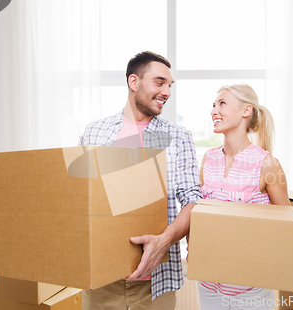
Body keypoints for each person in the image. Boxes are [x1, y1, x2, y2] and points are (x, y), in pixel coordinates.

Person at [79, 51, 201, 310]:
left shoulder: (178, 137)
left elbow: (193, 202)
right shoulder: (95, 131)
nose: (167, 91)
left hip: (155, 285)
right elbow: (81, 196)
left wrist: (164, 242)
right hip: (101, 280)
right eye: (159, 82)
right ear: (133, 82)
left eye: (170, 85)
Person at [194, 84, 293, 310]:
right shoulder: (209, 159)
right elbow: (199, 213)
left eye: (222, 103)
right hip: (208, 284)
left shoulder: (267, 164)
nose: (214, 110)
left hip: (250, 288)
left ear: (246, 111)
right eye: (213, 105)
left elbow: (288, 223)